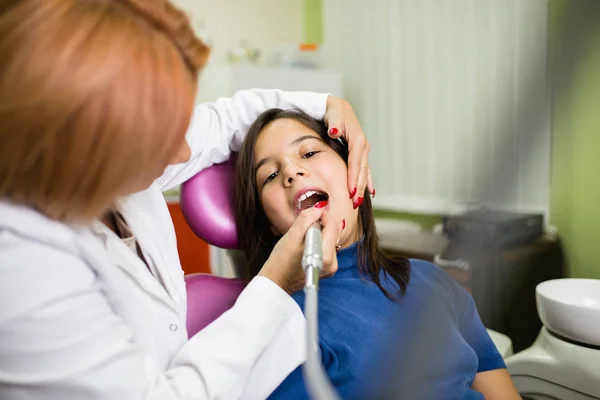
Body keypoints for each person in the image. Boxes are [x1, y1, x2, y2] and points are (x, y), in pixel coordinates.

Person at [0, 1, 374, 399]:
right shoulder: (23, 263)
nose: (183, 155)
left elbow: (224, 121)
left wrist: (327, 105)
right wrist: (276, 283)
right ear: (92, 149)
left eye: (311, 153)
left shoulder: (423, 283)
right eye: (164, 138)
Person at [234, 108, 522, 400]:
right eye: (270, 175)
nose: (291, 172)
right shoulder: (285, 326)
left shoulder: (434, 281)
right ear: (270, 224)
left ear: (354, 168)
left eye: (308, 153)